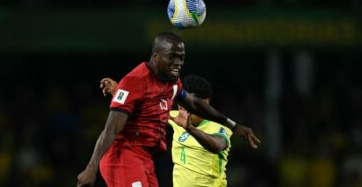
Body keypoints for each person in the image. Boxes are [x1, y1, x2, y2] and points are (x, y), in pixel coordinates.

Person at [77, 32, 259, 187]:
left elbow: (193, 103)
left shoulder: (170, 83)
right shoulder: (134, 82)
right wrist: (91, 167)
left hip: (145, 158)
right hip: (124, 155)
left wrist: (233, 126)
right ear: (156, 55)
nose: (178, 62)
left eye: (181, 57)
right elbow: (111, 129)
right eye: (172, 56)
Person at [102, 75, 233, 187]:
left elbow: (217, 145)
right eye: (183, 105)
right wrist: (119, 90)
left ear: (206, 103)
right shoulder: (177, 117)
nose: (185, 111)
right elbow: (146, 109)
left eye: (192, 107)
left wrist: (190, 129)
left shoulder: (219, 127)